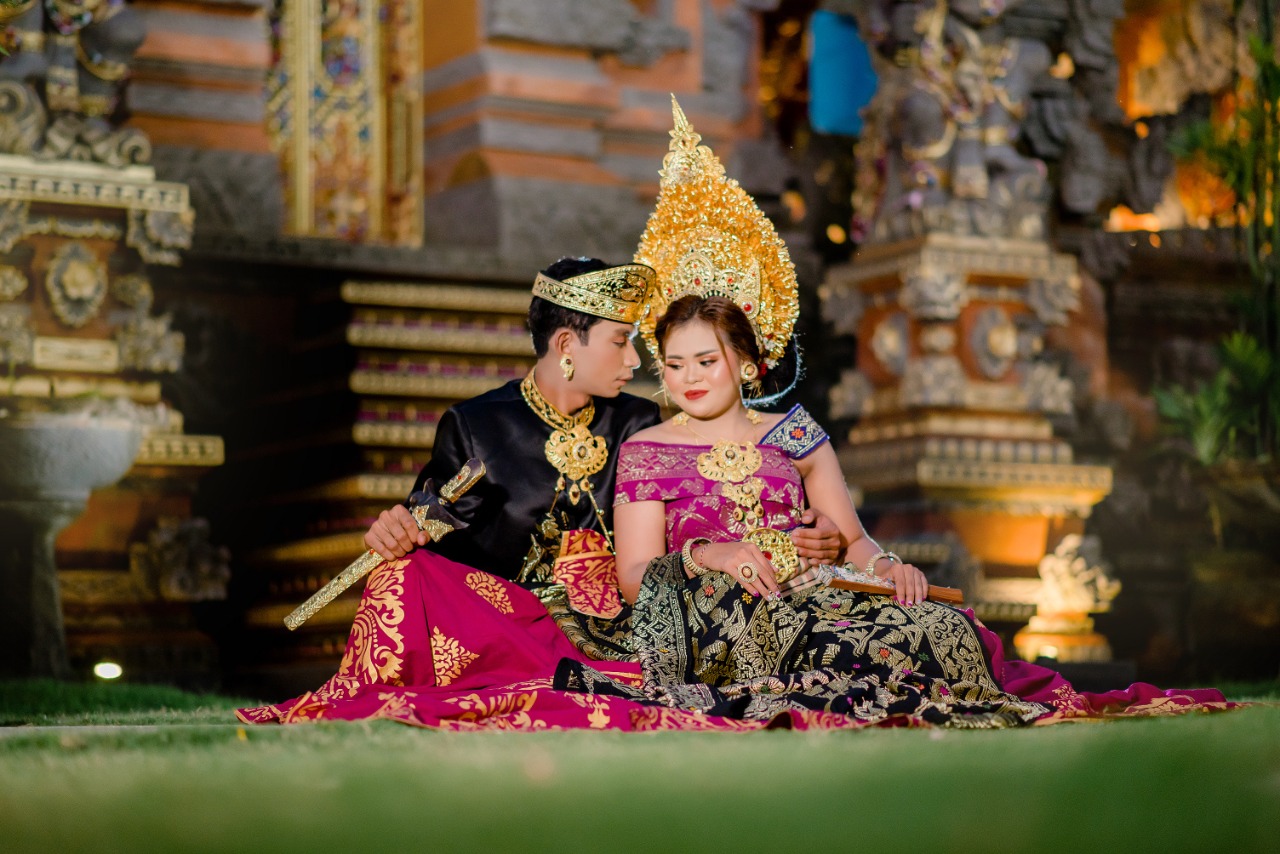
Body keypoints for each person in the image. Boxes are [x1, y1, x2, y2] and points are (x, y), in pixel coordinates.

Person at [554, 98, 1231, 727]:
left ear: (748, 364)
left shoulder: (794, 433)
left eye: (707, 361)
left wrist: (889, 568)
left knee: (946, 629)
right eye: (675, 364)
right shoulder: (647, 449)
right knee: (812, 643)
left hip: (817, 594)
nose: (689, 379)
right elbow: (635, 579)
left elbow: (853, 542)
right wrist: (712, 554)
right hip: (717, 615)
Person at [238, 256, 841, 727]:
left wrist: (798, 534)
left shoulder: (640, 423)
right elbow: (432, 518)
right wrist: (400, 529)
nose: (636, 361)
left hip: (630, 616)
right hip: (513, 618)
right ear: (567, 346)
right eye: (619, 341)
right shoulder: (477, 426)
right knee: (403, 575)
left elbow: (714, 494)